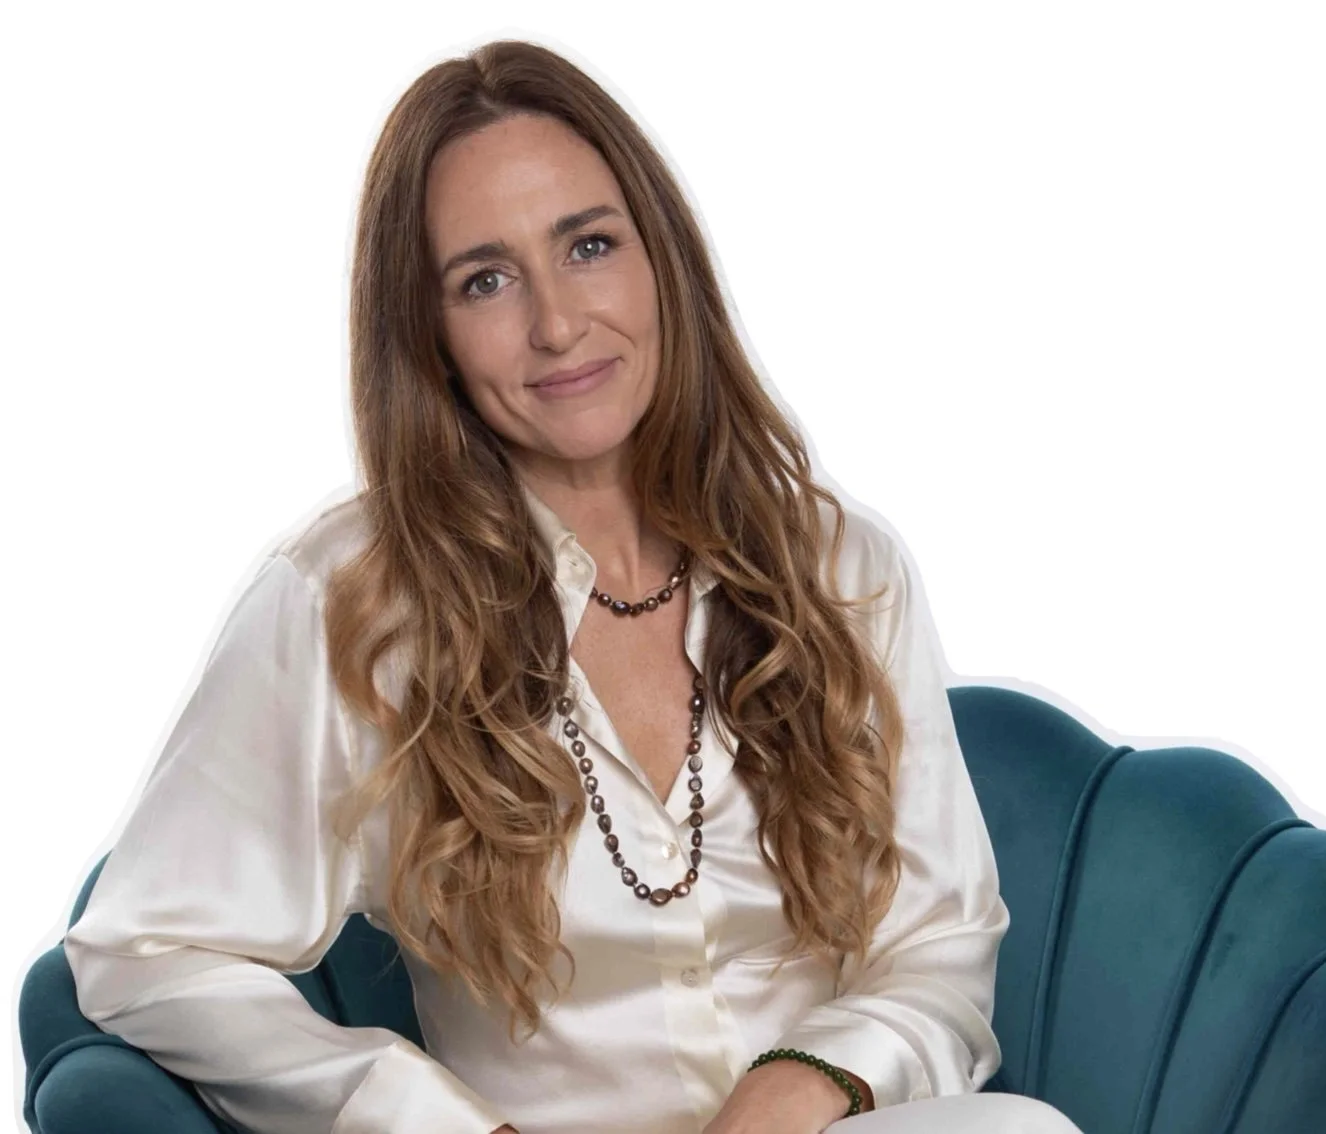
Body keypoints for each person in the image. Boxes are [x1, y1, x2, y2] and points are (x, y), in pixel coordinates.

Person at [62, 38, 1082, 1134]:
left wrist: (796, 1086)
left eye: (588, 246)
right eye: (485, 281)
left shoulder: (842, 569)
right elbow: (148, 950)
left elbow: (938, 945)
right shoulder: (349, 605)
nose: (555, 325)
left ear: (661, 262)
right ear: (430, 337)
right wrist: (424, 1119)